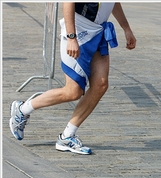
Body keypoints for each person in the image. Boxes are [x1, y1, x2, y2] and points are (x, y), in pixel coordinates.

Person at [9, 3, 136, 155]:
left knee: (100, 85)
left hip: (98, 31)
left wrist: (126, 28)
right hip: (78, 30)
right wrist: (71, 37)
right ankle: (22, 109)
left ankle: (67, 136)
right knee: (73, 91)